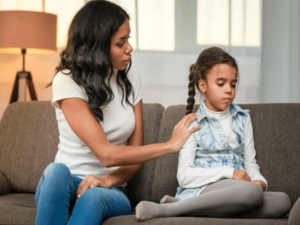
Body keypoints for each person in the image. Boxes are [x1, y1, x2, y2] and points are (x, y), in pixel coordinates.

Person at [34, 1, 200, 225]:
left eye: (128, 39)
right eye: (120, 43)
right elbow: (107, 154)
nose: (129, 48)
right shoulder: (66, 80)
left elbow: (134, 161)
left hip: (111, 190)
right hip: (65, 185)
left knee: (93, 197)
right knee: (56, 172)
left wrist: (105, 181)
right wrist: (170, 145)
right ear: (97, 47)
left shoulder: (130, 81)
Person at [135, 47, 292, 221]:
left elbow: (250, 164)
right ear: (203, 85)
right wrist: (229, 172)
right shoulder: (192, 122)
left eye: (233, 84)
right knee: (252, 193)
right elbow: (184, 177)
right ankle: (170, 210)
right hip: (205, 189)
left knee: (282, 201)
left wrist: (259, 182)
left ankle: (192, 208)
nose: (229, 90)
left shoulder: (243, 118)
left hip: (242, 190)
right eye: (221, 83)